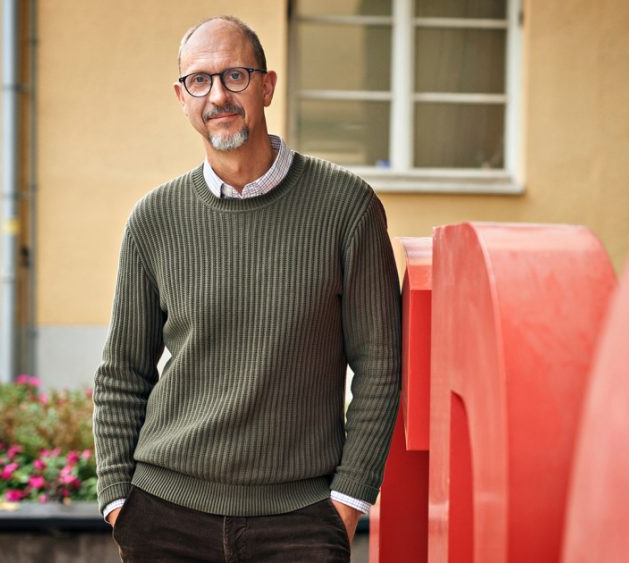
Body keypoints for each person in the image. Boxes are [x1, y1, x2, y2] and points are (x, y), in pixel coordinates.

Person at [92, 15, 401, 562]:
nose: (217, 95)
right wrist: (119, 499)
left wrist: (349, 499)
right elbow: (123, 370)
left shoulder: (346, 208)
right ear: (182, 97)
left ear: (266, 85)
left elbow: (379, 364)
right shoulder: (154, 218)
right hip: (164, 513)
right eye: (199, 80)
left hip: (299, 521)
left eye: (235, 75)